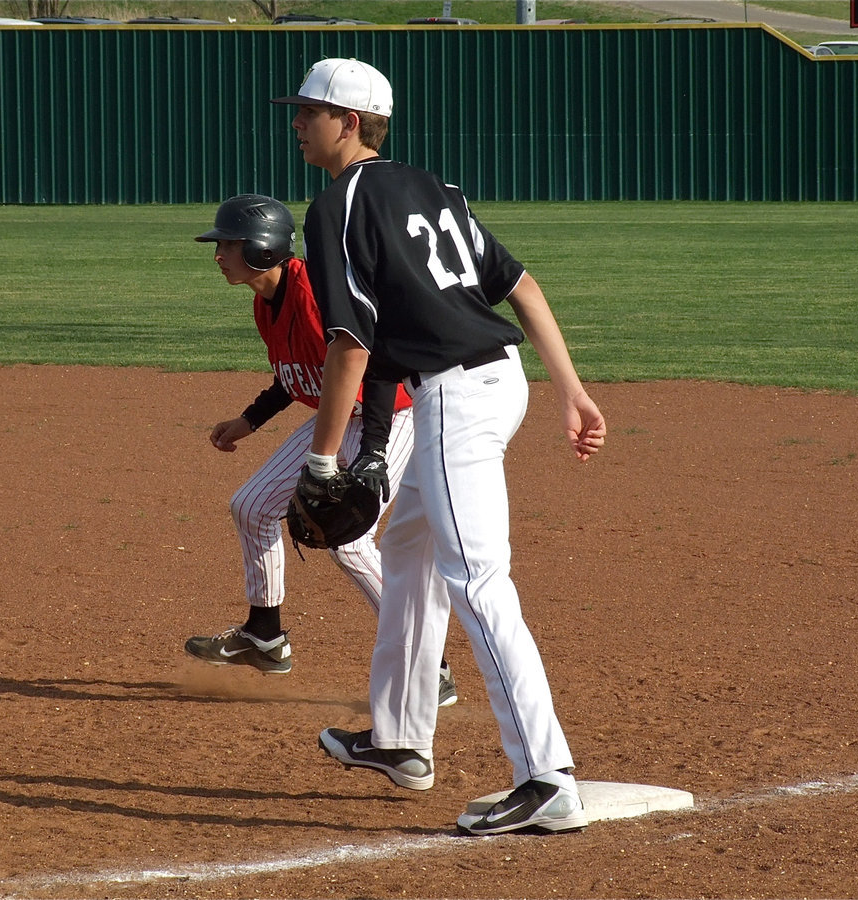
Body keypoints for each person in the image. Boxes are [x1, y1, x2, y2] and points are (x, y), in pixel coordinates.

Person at [270, 59, 607, 835]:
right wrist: (570, 388)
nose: (297, 123)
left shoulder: (338, 202)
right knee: (412, 550)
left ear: (349, 122)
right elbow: (519, 285)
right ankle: (399, 740)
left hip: (457, 398)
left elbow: (350, 340)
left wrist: (322, 460)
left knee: (477, 581)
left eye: (309, 111)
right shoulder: (433, 187)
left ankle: (546, 776)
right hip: (496, 383)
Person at [184, 193, 458, 709]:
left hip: (390, 414)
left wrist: (373, 452)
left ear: (264, 248)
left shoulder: (319, 297)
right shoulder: (266, 302)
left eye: (228, 244)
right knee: (252, 505)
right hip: (341, 416)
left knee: (350, 541)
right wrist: (249, 420)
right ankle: (265, 636)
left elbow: (375, 368)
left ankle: (431, 665)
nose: (218, 254)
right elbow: (299, 374)